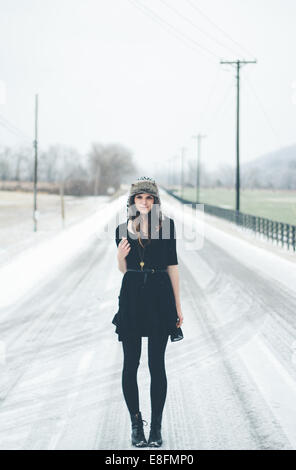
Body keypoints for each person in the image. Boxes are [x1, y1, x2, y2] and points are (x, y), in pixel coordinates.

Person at [112, 176, 184, 448]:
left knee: (157, 364)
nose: (144, 202)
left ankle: (155, 427)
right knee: (130, 364)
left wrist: (178, 305)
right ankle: (136, 425)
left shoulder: (167, 227)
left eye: (149, 198)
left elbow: (173, 267)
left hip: (159, 298)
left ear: (155, 201)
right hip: (131, 298)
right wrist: (119, 257)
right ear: (132, 201)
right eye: (139, 198)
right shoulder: (121, 229)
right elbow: (124, 269)